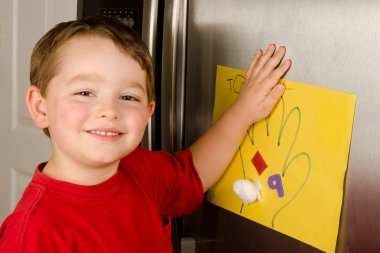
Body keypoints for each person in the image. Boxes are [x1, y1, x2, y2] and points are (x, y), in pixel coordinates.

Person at [0, 15, 291, 253]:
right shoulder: (31, 235)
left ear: (149, 112)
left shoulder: (140, 168)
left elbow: (194, 174)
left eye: (128, 97)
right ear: (41, 108)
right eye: (85, 92)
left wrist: (243, 112)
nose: (109, 110)